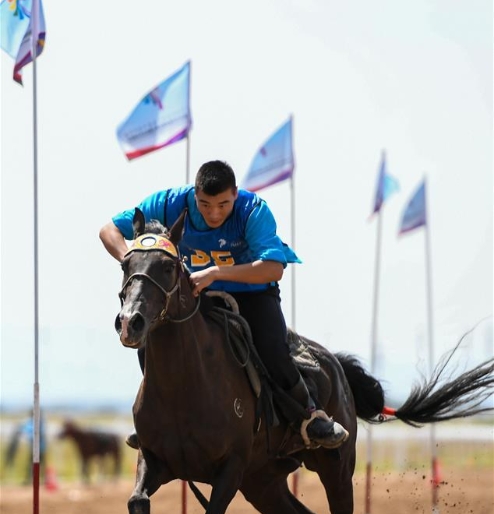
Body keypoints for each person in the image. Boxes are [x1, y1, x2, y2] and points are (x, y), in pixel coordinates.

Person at [99, 160, 348, 450]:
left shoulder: (252, 211)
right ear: (194, 195)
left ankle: (309, 416)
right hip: (195, 293)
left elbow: (272, 269)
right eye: (205, 204)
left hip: (254, 294)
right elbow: (109, 231)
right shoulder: (166, 203)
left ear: (236, 194)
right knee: (153, 333)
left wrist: (216, 272)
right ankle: (156, 418)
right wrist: (137, 259)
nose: (213, 213)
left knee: (272, 349)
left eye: (223, 204)